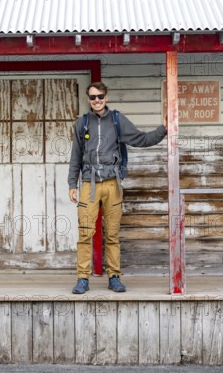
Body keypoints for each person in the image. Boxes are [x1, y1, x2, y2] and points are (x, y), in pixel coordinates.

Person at [67, 82, 168, 294]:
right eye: (93, 97)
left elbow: (141, 139)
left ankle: (114, 276)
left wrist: (163, 130)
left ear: (107, 97)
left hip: (113, 184)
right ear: (88, 99)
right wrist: (71, 184)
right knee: (85, 232)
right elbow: (75, 155)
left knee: (112, 234)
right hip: (88, 184)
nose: (97, 100)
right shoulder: (82, 123)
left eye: (100, 96)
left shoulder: (116, 120)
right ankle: (82, 278)